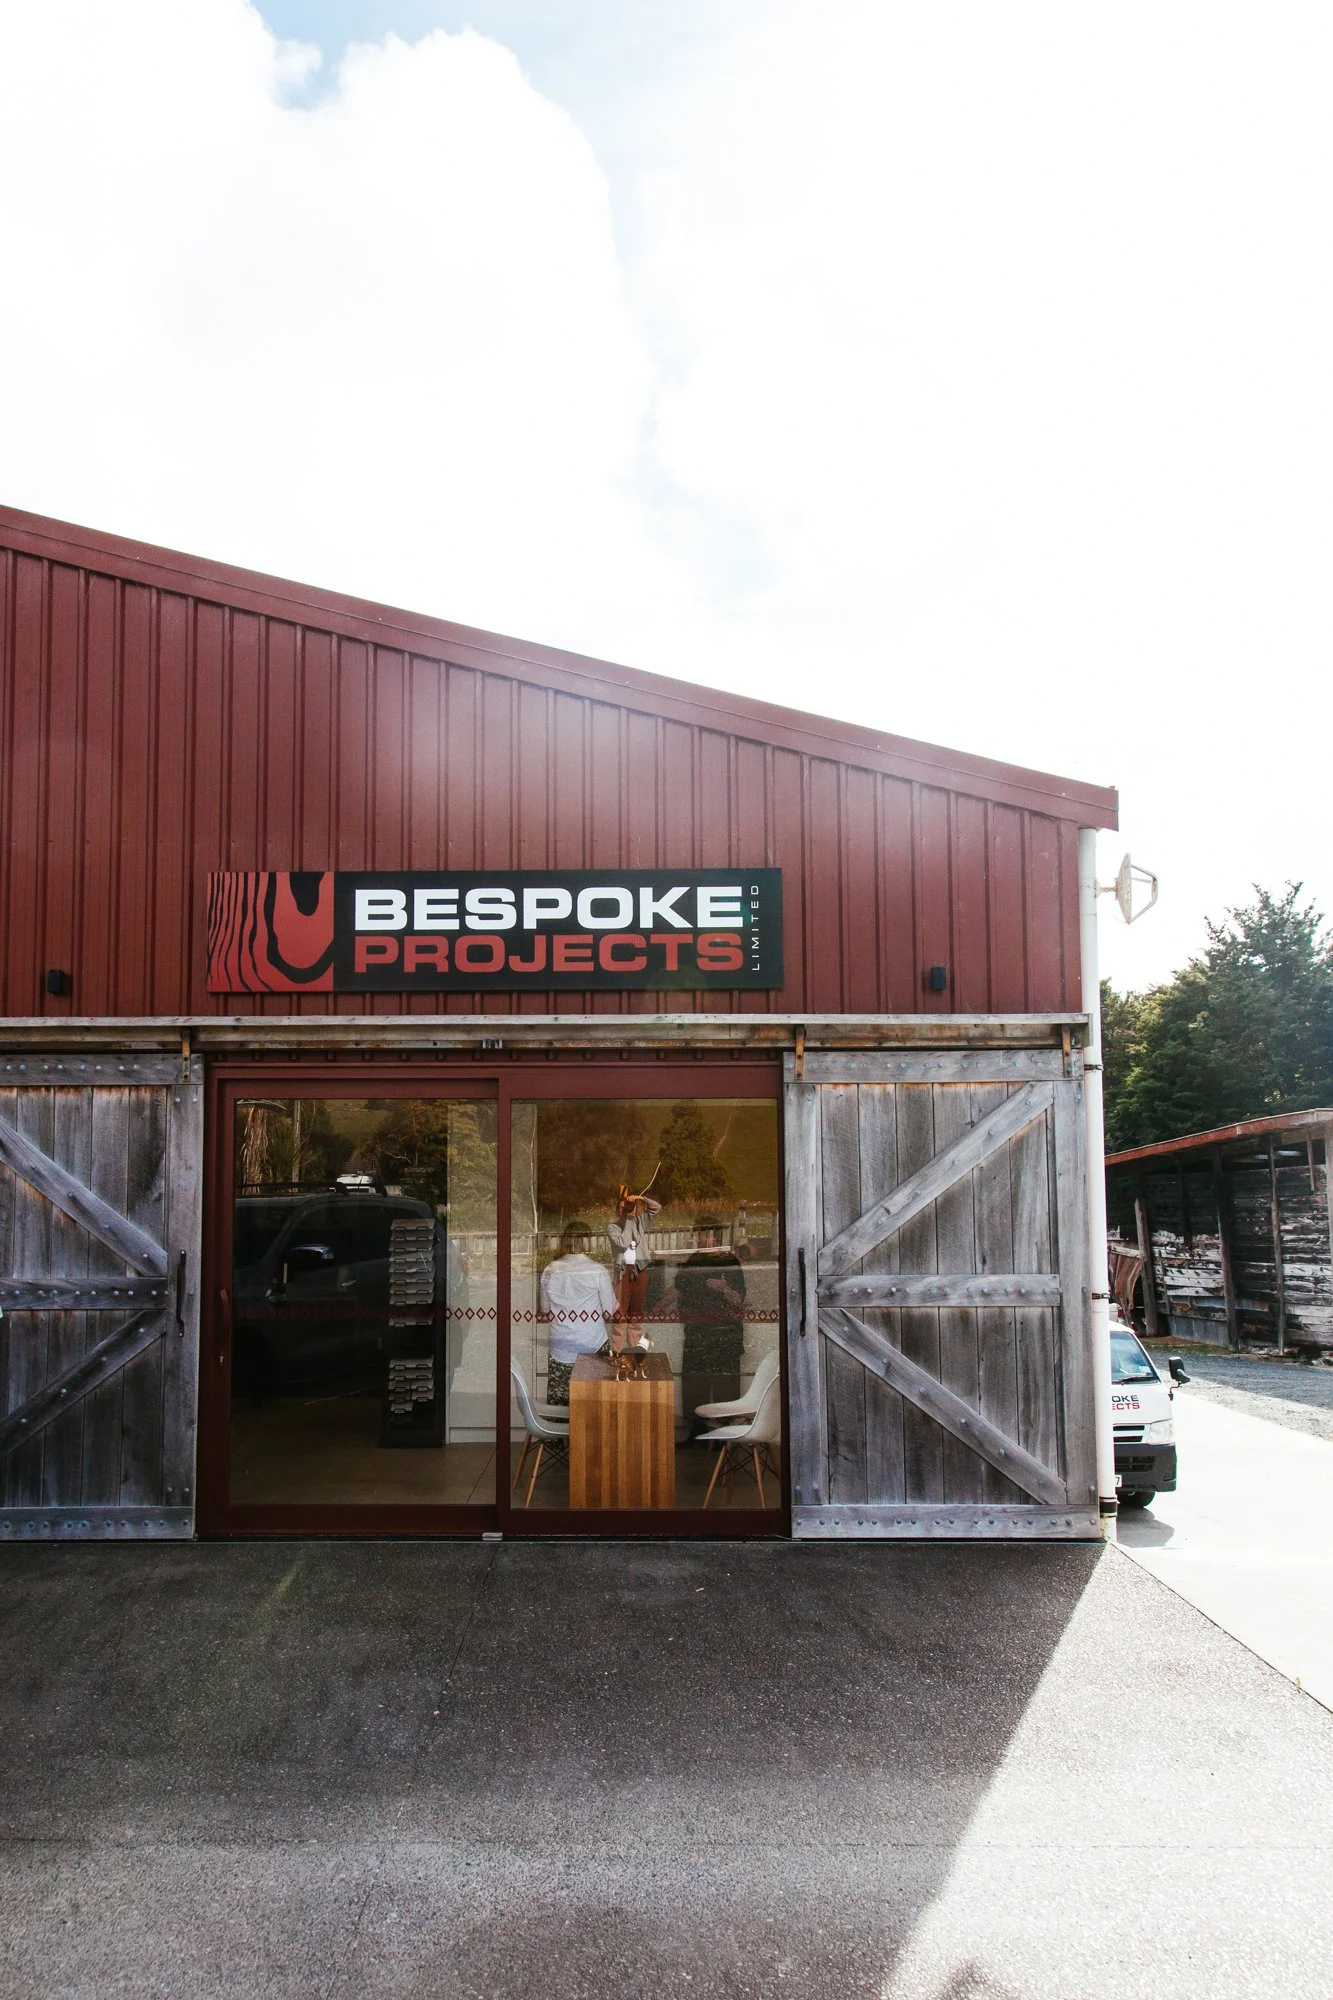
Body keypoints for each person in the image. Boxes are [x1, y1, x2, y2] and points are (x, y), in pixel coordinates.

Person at [675, 1213, 746, 1437]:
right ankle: (695, 1434)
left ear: (715, 1237)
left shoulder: (729, 1261)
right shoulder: (693, 1261)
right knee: (694, 1384)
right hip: (697, 1332)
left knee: (725, 1385)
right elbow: (677, 1289)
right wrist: (653, 1309)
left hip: (725, 1333)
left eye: (705, 1235)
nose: (700, 1240)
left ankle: (724, 1436)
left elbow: (739, 1300)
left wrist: (725, 1288)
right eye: (699, 1235)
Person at [539, 1221, 618, 1406]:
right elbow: (609, 1310)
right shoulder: (597, 1270)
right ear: (587, 1242)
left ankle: (561, 1433)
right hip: (593, 1346)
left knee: (561, 1405)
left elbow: (545, 1309)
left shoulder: (550, 1270)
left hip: (561, 1349)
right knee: (596, 1404)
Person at [606, 1185, 662, 1350]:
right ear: (617, 1212)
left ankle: (635, 1352)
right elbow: (623, 1243)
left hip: (640, 1270)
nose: (625, 1211)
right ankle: (616, 1352)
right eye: (622, 1209)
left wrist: (640, 1199)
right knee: (620, 1314)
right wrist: (629, 1219)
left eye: (628, 1208)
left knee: (636, 1312)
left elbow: (657, 1208)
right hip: (623, 1272)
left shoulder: (639, 1221)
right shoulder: (613, 1227)